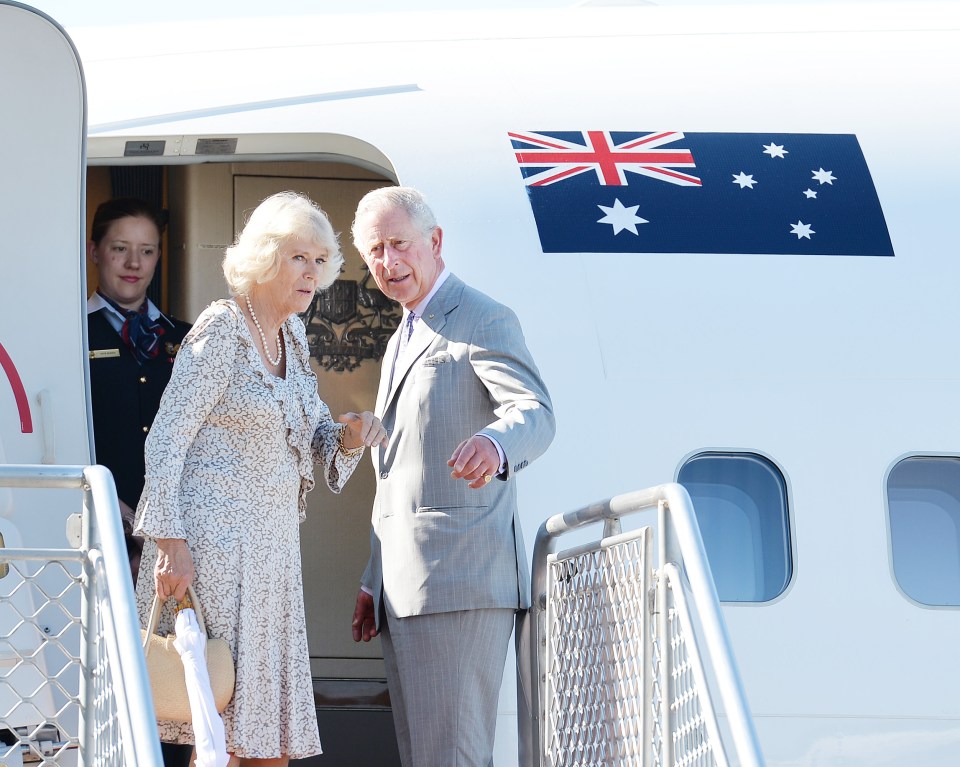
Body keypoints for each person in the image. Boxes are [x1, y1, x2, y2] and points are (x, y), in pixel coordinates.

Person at [133, 191, 388, 767]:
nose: (313, 273)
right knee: (217, 729)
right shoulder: (221, 329)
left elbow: (314, 432)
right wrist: (170, 546)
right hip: (212, 553)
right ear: (266, 257)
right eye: (300, 257)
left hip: (273, 557)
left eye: (321, 261)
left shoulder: (292, 337)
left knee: (267, 738)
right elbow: (165, 439)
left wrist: (350, 434)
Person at [349, 187, 555, 767]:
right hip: (405, 586)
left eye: (399, 245)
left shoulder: (482, 316)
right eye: (375, 251)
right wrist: (374, 577)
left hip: (460, 579)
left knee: (453, 758)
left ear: (434, 243)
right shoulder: (402, 337)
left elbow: (535, 414)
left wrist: (495, 442)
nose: (388, 263)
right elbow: (397, 474)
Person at [87, 197, 192, 585]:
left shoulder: (189, 338)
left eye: (146, 251)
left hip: (177, 537)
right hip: (96, 527)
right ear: (94, 251)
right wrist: (117, 514)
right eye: (120, 249)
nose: (134, 264)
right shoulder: (71, 335)